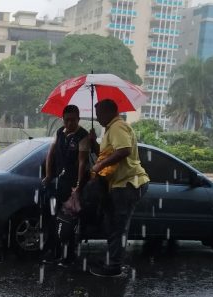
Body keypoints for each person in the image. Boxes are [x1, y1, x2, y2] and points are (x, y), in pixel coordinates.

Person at [89, 99, 150, 277]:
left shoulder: (117, 126)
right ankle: (112, 259)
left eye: (99, 114)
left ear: (109, 112)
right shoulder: (110, 129)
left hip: (128, 184)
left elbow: (124, 150)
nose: (98, 118)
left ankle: (114, 265)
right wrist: (94, 143)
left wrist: (98, 167)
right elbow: (106, 153)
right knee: (112, 223)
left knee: (118, 225)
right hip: (119, 184)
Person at [41, 105, 91, 266]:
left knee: (69, 223)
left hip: (72, 186)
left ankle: (68, 256)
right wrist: (49, 175)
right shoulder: (59, 133)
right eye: (67, 120)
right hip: (58, 183)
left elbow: (83, 163)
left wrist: (77, 186)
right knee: (55, 220)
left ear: (78, 119)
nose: (69, 123)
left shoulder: (83, 136)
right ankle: (55, 253)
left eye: (73, 120)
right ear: (63, 119)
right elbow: (50, 154)